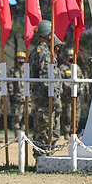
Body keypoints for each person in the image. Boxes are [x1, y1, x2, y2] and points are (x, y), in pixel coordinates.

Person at [30, 20, 62, 156]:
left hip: (43, 97)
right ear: (47, 34)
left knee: (46, 128)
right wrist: (53, 96)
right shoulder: (43, 53)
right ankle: (42, 158)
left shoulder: (40, 51)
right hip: (45, 98)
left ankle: (45, 156)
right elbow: (45, 79)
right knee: (44, 128)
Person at [8, 51, 27, 132]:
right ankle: (16, 135)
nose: (21, 60)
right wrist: (11, 95)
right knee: (17, 117)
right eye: (19, 58)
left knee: (25, 117)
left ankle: (23, 135)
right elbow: (10, 83)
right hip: (16, 98)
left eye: (23, 58)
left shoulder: (27, 70)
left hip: (26, 98)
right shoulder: (12, 70)